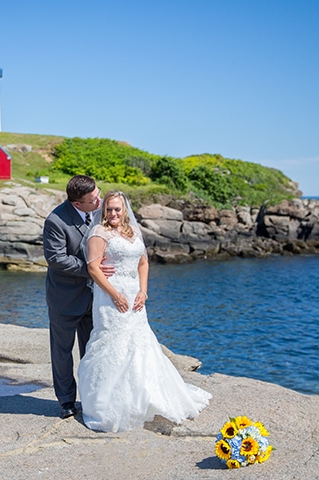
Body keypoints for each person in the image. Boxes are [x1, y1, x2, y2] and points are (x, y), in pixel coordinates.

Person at [77, 191, 212, 432]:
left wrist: (143, 291)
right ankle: (107, 403)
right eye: (109, 209)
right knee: (112, 343)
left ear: (125, 210)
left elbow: (143, 263)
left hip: (134, 295)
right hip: (110, 296)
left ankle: (145, 395)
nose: (113, 213)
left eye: (117, 209)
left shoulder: (133, 232)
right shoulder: (99, 233)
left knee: (140, 342)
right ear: (103, 210)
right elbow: (93, 269)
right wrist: (115, 294)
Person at [43, 175, 112, 419]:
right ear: (76, 204)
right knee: (62, 353)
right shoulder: (55, 221)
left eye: (98, 193)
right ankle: (66, 401)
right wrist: (91, 269)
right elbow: (55, 258)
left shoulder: (99, 211)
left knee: (92, 350)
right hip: (64, 299)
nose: (99, 200)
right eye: (93, 199)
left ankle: (92, 397)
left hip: (94, 298)